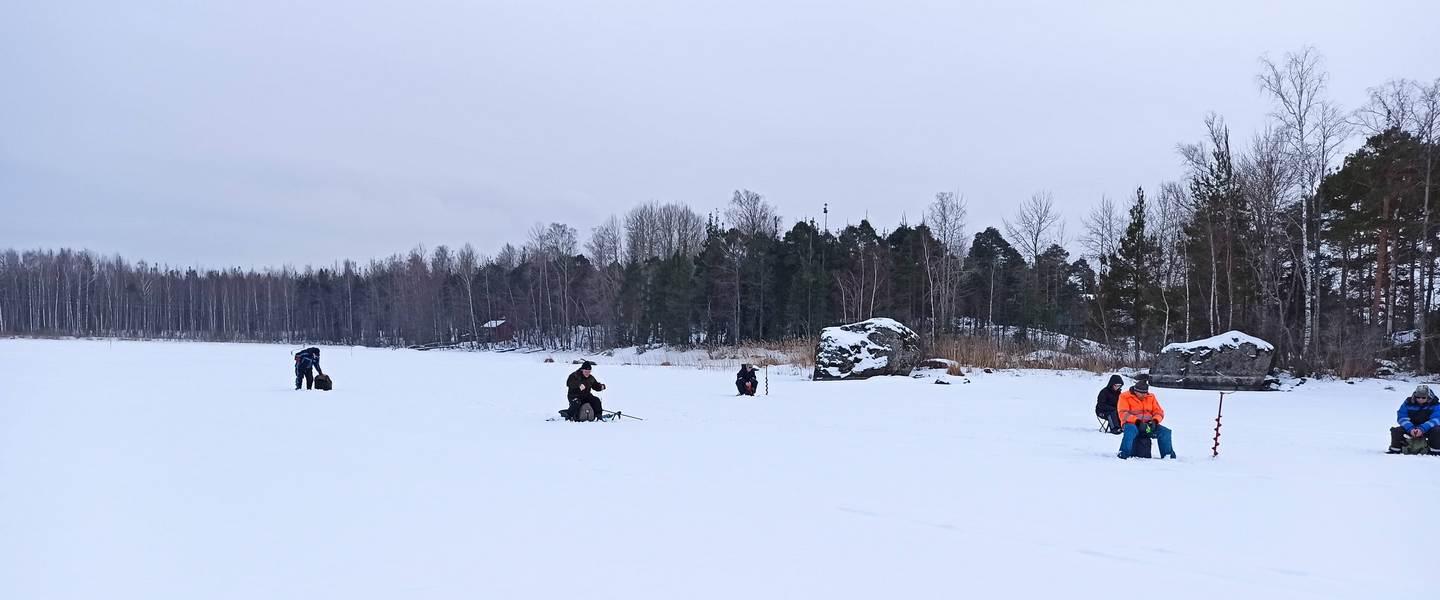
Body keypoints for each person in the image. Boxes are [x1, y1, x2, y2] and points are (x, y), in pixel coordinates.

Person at [1116, 375, 1175, 459]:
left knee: (1165, 432)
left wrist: (1155, 421)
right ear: (1136, 391)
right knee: (1130, 430)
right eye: (1142, 393)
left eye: (1145, 393)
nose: (1144, 395)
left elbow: (1159, 412)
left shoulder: (1151, 397)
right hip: (1132, 424)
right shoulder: (1124, 397)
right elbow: (1123, 414)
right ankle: (1123, 453)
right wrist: (1137, 422)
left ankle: (1168, 456)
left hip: (1148, 426)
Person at [1388, 384, 1440, 455]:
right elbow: (1402, 417)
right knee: (1396, 431)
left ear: (1428, 396)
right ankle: (1395, 450)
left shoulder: (1435, 404)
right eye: (1418, 397)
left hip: (1428, 428)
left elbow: (1436, 419)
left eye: (1423, 397)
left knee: (1437, 431)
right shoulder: (1408, 402)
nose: (1420, 399)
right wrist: (1410, 428)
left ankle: (1435, 451)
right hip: (1411, 427)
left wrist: (1422, 429)